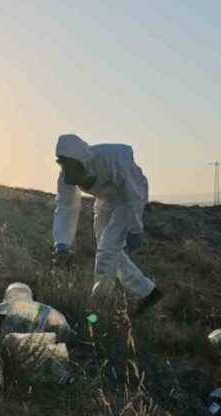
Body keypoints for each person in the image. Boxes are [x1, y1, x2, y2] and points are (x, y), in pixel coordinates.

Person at [53, 133, 164, 315]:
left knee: (107, 248)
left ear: (81, 161)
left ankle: (97, 303)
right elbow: (66, 205)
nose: (65, 171)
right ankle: (148, 292)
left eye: (68, 165)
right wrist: (62, 243)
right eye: (61, 164)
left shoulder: (113, 159)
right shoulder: (67, 175)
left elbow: (134, 190)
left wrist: (135, 228)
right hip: (105, 199)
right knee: (109, 250)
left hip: (128, 197)